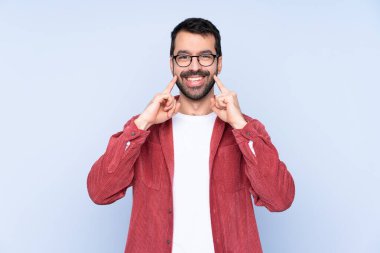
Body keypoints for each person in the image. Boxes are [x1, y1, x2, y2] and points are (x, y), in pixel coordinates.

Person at [87, 17, 295, 253]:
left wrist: (239, 125)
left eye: (205, 56)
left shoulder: (246, 130)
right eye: (184, 57)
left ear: (219, 63)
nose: (194, 67)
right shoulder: (143, 130)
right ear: (172, 64)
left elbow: (280, 199)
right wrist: (142, 123)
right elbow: (100, 191)